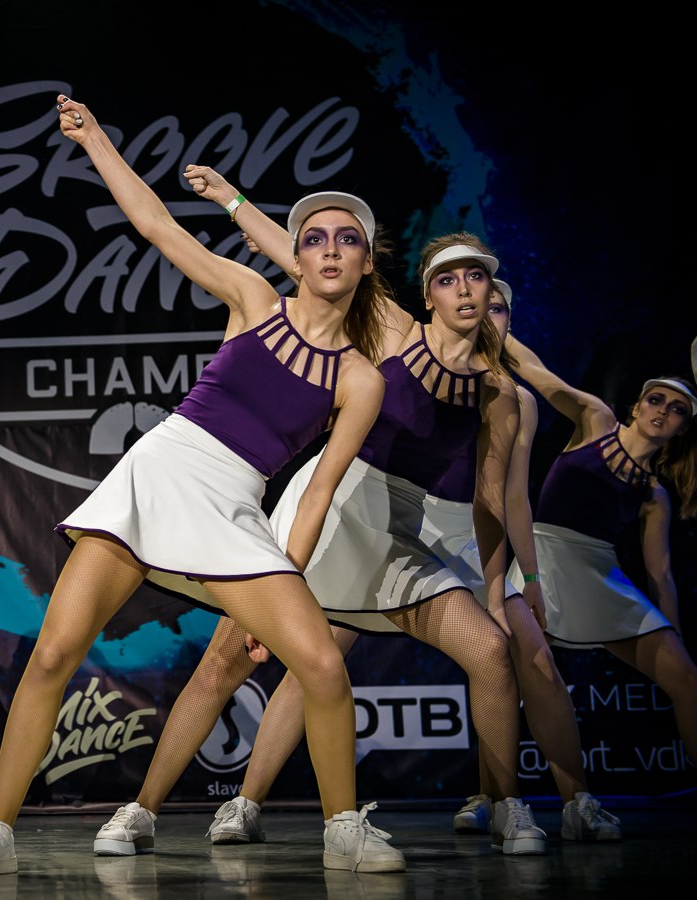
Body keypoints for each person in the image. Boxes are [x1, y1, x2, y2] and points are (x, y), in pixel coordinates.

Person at [0, 94, 403, 878]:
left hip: (235, 506)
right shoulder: (254, 299)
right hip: (160, 473)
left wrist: (286, 580)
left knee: (323, 666)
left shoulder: (361, 379)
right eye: (314, 238)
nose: (330, 250)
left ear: (365, 263)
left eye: (347, 239)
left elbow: (320, 492)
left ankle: (343, 830)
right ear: (295, 257)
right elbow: (157, 225)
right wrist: (94, 140)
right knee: (52, 655)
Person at [90, 164, 547, 857]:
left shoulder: (501, 396)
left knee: (488, 649)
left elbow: (492, 501)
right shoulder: (394, 329)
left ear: (495, 293)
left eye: (476, 278)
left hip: (401, 534)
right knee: (229, 662)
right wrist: (232, 200)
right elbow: (299, 258)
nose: (463, 290)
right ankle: (148, 809)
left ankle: (509, 807)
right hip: (332, 509)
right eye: (448, 279)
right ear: (427, 293)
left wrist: (504, 590)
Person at [446, 279, 622, 840]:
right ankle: (251, 800)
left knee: (533, 657)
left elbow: (513, 498)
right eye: (478, 304)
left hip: (484, 542)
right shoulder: (427, 371)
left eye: (499, 308)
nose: (486, 314)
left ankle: (575, 804)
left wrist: (532, 576)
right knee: (326, 647)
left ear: (509, 323)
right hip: (414, 529)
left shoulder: (518, 400)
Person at [503, 342, 697, 771]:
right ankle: (493, 794)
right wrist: (496, 321)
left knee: (687, 680)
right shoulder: (597, 420)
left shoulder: (654, 495)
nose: (662, 411)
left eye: (677, 410)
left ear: (683, 428)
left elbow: (661, 576)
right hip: (545, 563)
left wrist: (675, 635)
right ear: (637, 406)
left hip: (600, 576)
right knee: (507, 684)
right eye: (656, 400)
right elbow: (536, 371)